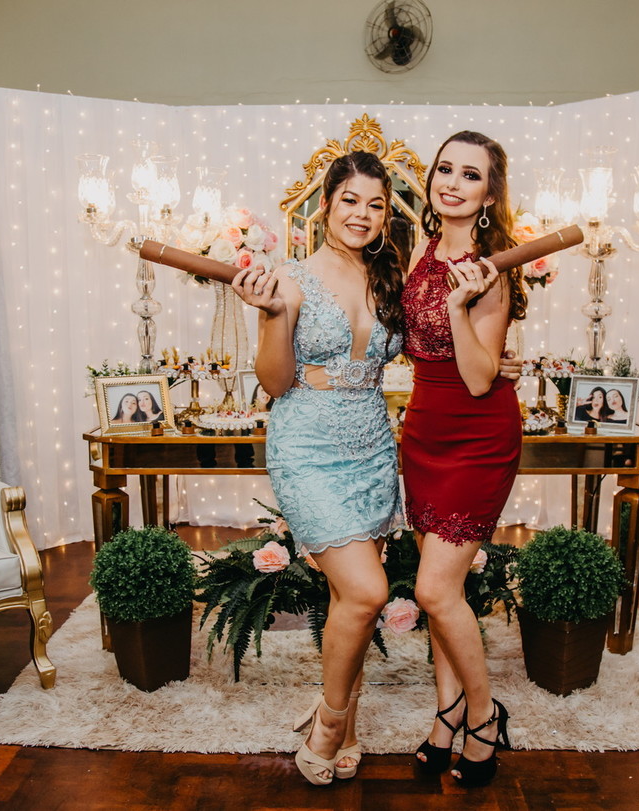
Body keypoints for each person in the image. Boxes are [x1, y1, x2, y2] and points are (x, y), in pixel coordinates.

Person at [230, 151, 405, 786]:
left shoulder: (389, 279)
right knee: (368, 592)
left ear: (386, 214)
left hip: (373, 446)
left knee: (345, 598)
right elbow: (276, 382)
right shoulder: (289, 279)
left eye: (375, 204)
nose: (362, 214)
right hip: (308, 446)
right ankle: (329, 722)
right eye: (350, 200)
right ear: (325, 204)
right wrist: (272, 315)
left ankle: (347, 726)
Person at [401, 130, 520, 787]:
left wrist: (456, 303)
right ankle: (446, 715)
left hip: (477, 435)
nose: (451, 182)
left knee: (433, 588)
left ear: (490, 194)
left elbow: (478, 378)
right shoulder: (418, 251)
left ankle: (483, 715)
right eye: (444, 169)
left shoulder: (491, 268)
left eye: (470, 174)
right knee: (442, 591)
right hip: (423, 432)